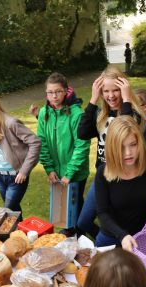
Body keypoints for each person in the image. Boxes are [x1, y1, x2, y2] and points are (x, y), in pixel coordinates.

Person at [76, 65, 145, 239]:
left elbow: (127, 126)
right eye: (106, 91)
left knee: (125, 221)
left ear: (124, 89)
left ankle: (116, 243)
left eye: (116, 90)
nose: (111, 95)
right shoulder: (101, 115)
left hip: (123, 178)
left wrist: (128, 99)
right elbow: (82, 133)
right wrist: (92, 100)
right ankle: (115, 243)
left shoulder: (133, 114)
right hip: (103, 176)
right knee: (83, 222)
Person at [95, 116, 146, 250]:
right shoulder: (103, 173)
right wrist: (122, 235)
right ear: (112, 147)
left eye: (133, 145)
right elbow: (102, 212)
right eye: (121, 147)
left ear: (140, 142)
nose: (128, 153)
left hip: (144, 233)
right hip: (112, 237)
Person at [37, 72, 89, 235]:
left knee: (75, 202)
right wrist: (49, 169)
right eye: (50, 92)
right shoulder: (43, 113)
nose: (54, 96)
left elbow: (82, 146)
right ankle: (70, 230)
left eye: (58, 91)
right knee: (62, 205)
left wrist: (70, 173)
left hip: (76, 172)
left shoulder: (76, 114)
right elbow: (42, 143)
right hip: (56, 171)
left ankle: (80, 234)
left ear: (66, 91)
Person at [0, 91, 40, 214]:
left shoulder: (11, 124)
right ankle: (19, 232)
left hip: (16, 178)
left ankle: (14, 231)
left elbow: (35, 142)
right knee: (13, 211)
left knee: (7, 212)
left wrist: (24, 170)